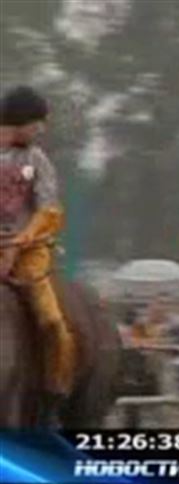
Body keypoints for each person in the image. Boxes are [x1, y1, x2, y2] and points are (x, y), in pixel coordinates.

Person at [0, 86, 76, 423]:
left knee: (50, 319)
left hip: (29, 250)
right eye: (37, 123)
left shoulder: (37, 160)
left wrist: (21, 240)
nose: (40, 130)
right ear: (20, 121)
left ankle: (53, 392)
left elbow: (49, 209)